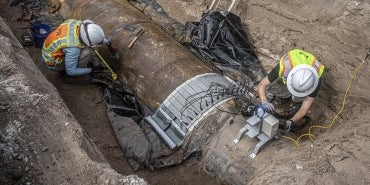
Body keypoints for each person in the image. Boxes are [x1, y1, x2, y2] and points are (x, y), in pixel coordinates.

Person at [257, 49, 325, 132]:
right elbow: (262, 84)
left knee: (298, 98)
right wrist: (264, 101)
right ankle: (284, 97)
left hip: (305, 71)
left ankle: (296, 102)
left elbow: (305, 107)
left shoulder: (315, 80)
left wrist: (291, 121)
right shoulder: (284, 67)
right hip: (292, 62)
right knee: (272, 87)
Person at [41, 19, 116, 76]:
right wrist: (92, 69)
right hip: (53, 63)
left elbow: (91, 34)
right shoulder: (73, 48)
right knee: (87, 52)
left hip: (49, 50)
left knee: (85, 48)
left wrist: (107, 43)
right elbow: (71, 71)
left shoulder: (75, 22)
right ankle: (71, 73)